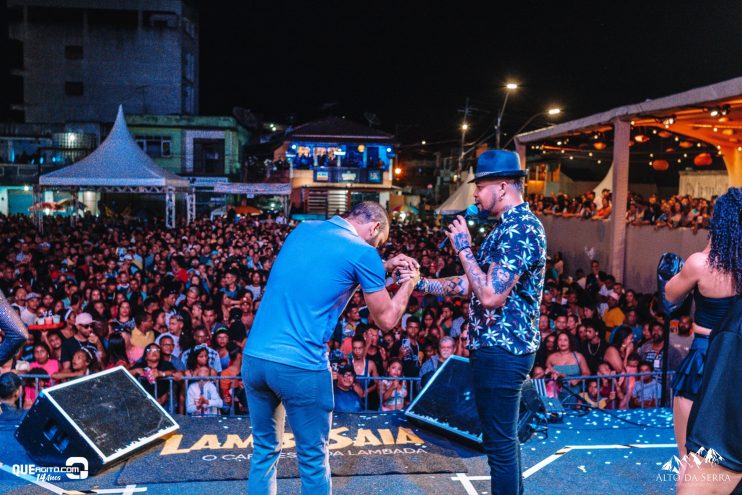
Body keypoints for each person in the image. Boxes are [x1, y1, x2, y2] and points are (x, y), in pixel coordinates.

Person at [241, 201, 420, 495]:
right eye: (378, 241)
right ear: (374, 227)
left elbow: (326, 274)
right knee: (312, 460)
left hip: (256, 358)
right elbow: (387, 319)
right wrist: (409, 283)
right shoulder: (364, 253)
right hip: (300, 367)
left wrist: (382, 267)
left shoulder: (302, 230)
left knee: (264, 449)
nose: (376, 247)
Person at [414, 150, 546, 495]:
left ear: (502, 187)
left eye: (480, 186)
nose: (474, 195)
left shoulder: (521, 229)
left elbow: (490, 295)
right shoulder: (505, 229)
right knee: (502, 441)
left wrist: (463, 248)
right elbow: (470, 283)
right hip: (493, 348)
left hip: (504, 351)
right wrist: (421, 284)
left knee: (499, 446)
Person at [665, 187, 740, 460]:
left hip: (704, 353)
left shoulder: (700, 263)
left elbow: (670, 294)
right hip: (735, 357)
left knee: (688, 455)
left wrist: (712, 243)